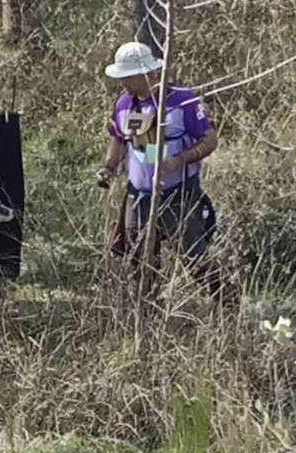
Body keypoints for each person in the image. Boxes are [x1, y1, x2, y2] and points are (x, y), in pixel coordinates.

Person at [96, 41, 223, 293]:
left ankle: (225, 301)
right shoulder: (123, 103)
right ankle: (147, 312)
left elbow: (210, 139)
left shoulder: (182, 100)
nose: (123, 84)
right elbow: (119, 140)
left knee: (194, 257)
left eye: (128, 77)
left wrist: (181, 159)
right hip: (138, 196)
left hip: (179, 195)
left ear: (146, 73)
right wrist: (109, 168)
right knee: (139, 259)